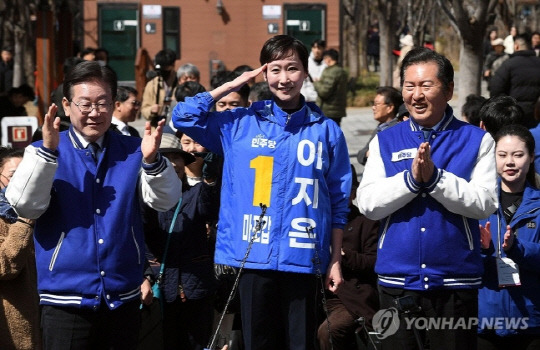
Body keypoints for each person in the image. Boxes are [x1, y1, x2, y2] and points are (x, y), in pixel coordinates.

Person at [172, 34, 351, 350]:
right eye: (275, 69)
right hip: (254, 256)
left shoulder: (326, 130)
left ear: (306, 72)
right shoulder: (239, 122)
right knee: (257, 343)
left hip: (303, 256)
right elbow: (183, 116)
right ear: (264, 74)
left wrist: (335, 258)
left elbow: (338, 200)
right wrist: (234, 83)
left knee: (300, 343)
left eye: (293, 68)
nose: (284, 79)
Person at [5, 60, 182, 349]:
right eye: (84, 104)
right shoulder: (42, 149)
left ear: (113, 104)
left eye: (102, 103)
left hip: (123, 294)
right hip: (64, 297)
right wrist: (48, 155)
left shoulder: (134, 149)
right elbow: (25, 207)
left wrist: (152, 161)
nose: (94, 113)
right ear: (66, 104)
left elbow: (165, 201)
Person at [357, 47, 498, 349]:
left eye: (425, 85)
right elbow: (367, 203)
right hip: (396, 281)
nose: (416, 95)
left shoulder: (477, 140)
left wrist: (436, 180)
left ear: (448, 90)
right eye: (409, 86)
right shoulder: (385, 139)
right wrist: (410, 181)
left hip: (455, 284)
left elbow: (485, 202)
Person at [144, 133, 219, 350]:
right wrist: (143, 276)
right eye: (164, 158)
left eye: (177, 157)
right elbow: (137, 238)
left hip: (195, 289)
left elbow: (209, 205)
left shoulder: (195, 193)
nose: (172, 164)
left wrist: (211, 177)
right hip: (157, 289)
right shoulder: (143, 198)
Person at [477, 124, 540, 349]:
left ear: (532, 157)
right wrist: (483, 249)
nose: (509, 162)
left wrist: (517, 248)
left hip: (532, 319)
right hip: (487, 318)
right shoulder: (479, 203)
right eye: (502, 155)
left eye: (518, 155)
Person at [317, 165, 379, 350]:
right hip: (316, 294)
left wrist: (342, 255)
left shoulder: (366, 222)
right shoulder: (316, 221)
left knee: (329, 331)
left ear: (353, 193)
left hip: (349, 298)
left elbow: (374, 262)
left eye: (343, 191)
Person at [0, 147, 40, 350]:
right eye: (13, 175)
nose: (22, 182)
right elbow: (4, 266)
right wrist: (25, 221)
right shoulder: (21, 216)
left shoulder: (44, 210)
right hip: (13, 333)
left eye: (27, 175)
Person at [490, 35, 540, 128]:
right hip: (536, 115)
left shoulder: (508, 64)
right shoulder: (538, 63)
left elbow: (495, 88)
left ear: (516, 46)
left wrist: (505, 107)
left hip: (513, 115)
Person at [356, 86, 403, 166]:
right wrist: (369, 153)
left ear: (390, 108)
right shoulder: (381, 127)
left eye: (377, 104)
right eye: (373, 104)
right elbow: (361, 155)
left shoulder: (396, 130)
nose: (373, 108)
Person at [141, 49, 178, 125]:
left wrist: (174, 103)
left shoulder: (180, 82)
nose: (164, 71)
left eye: (166, 67)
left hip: (176, 127)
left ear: (173, 65)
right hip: (157, 127)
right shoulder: (152, 85)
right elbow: (144, 109)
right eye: (162, 69)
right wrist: (151, 110)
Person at [313, 49, 348, 126]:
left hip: (328, 110)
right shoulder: (341, 71)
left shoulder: (332, 72)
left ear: (328, 59)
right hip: (337, 110)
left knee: (328, 135)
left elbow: (324, 92)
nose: (324, 61)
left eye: (325, 59)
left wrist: (316, 83)